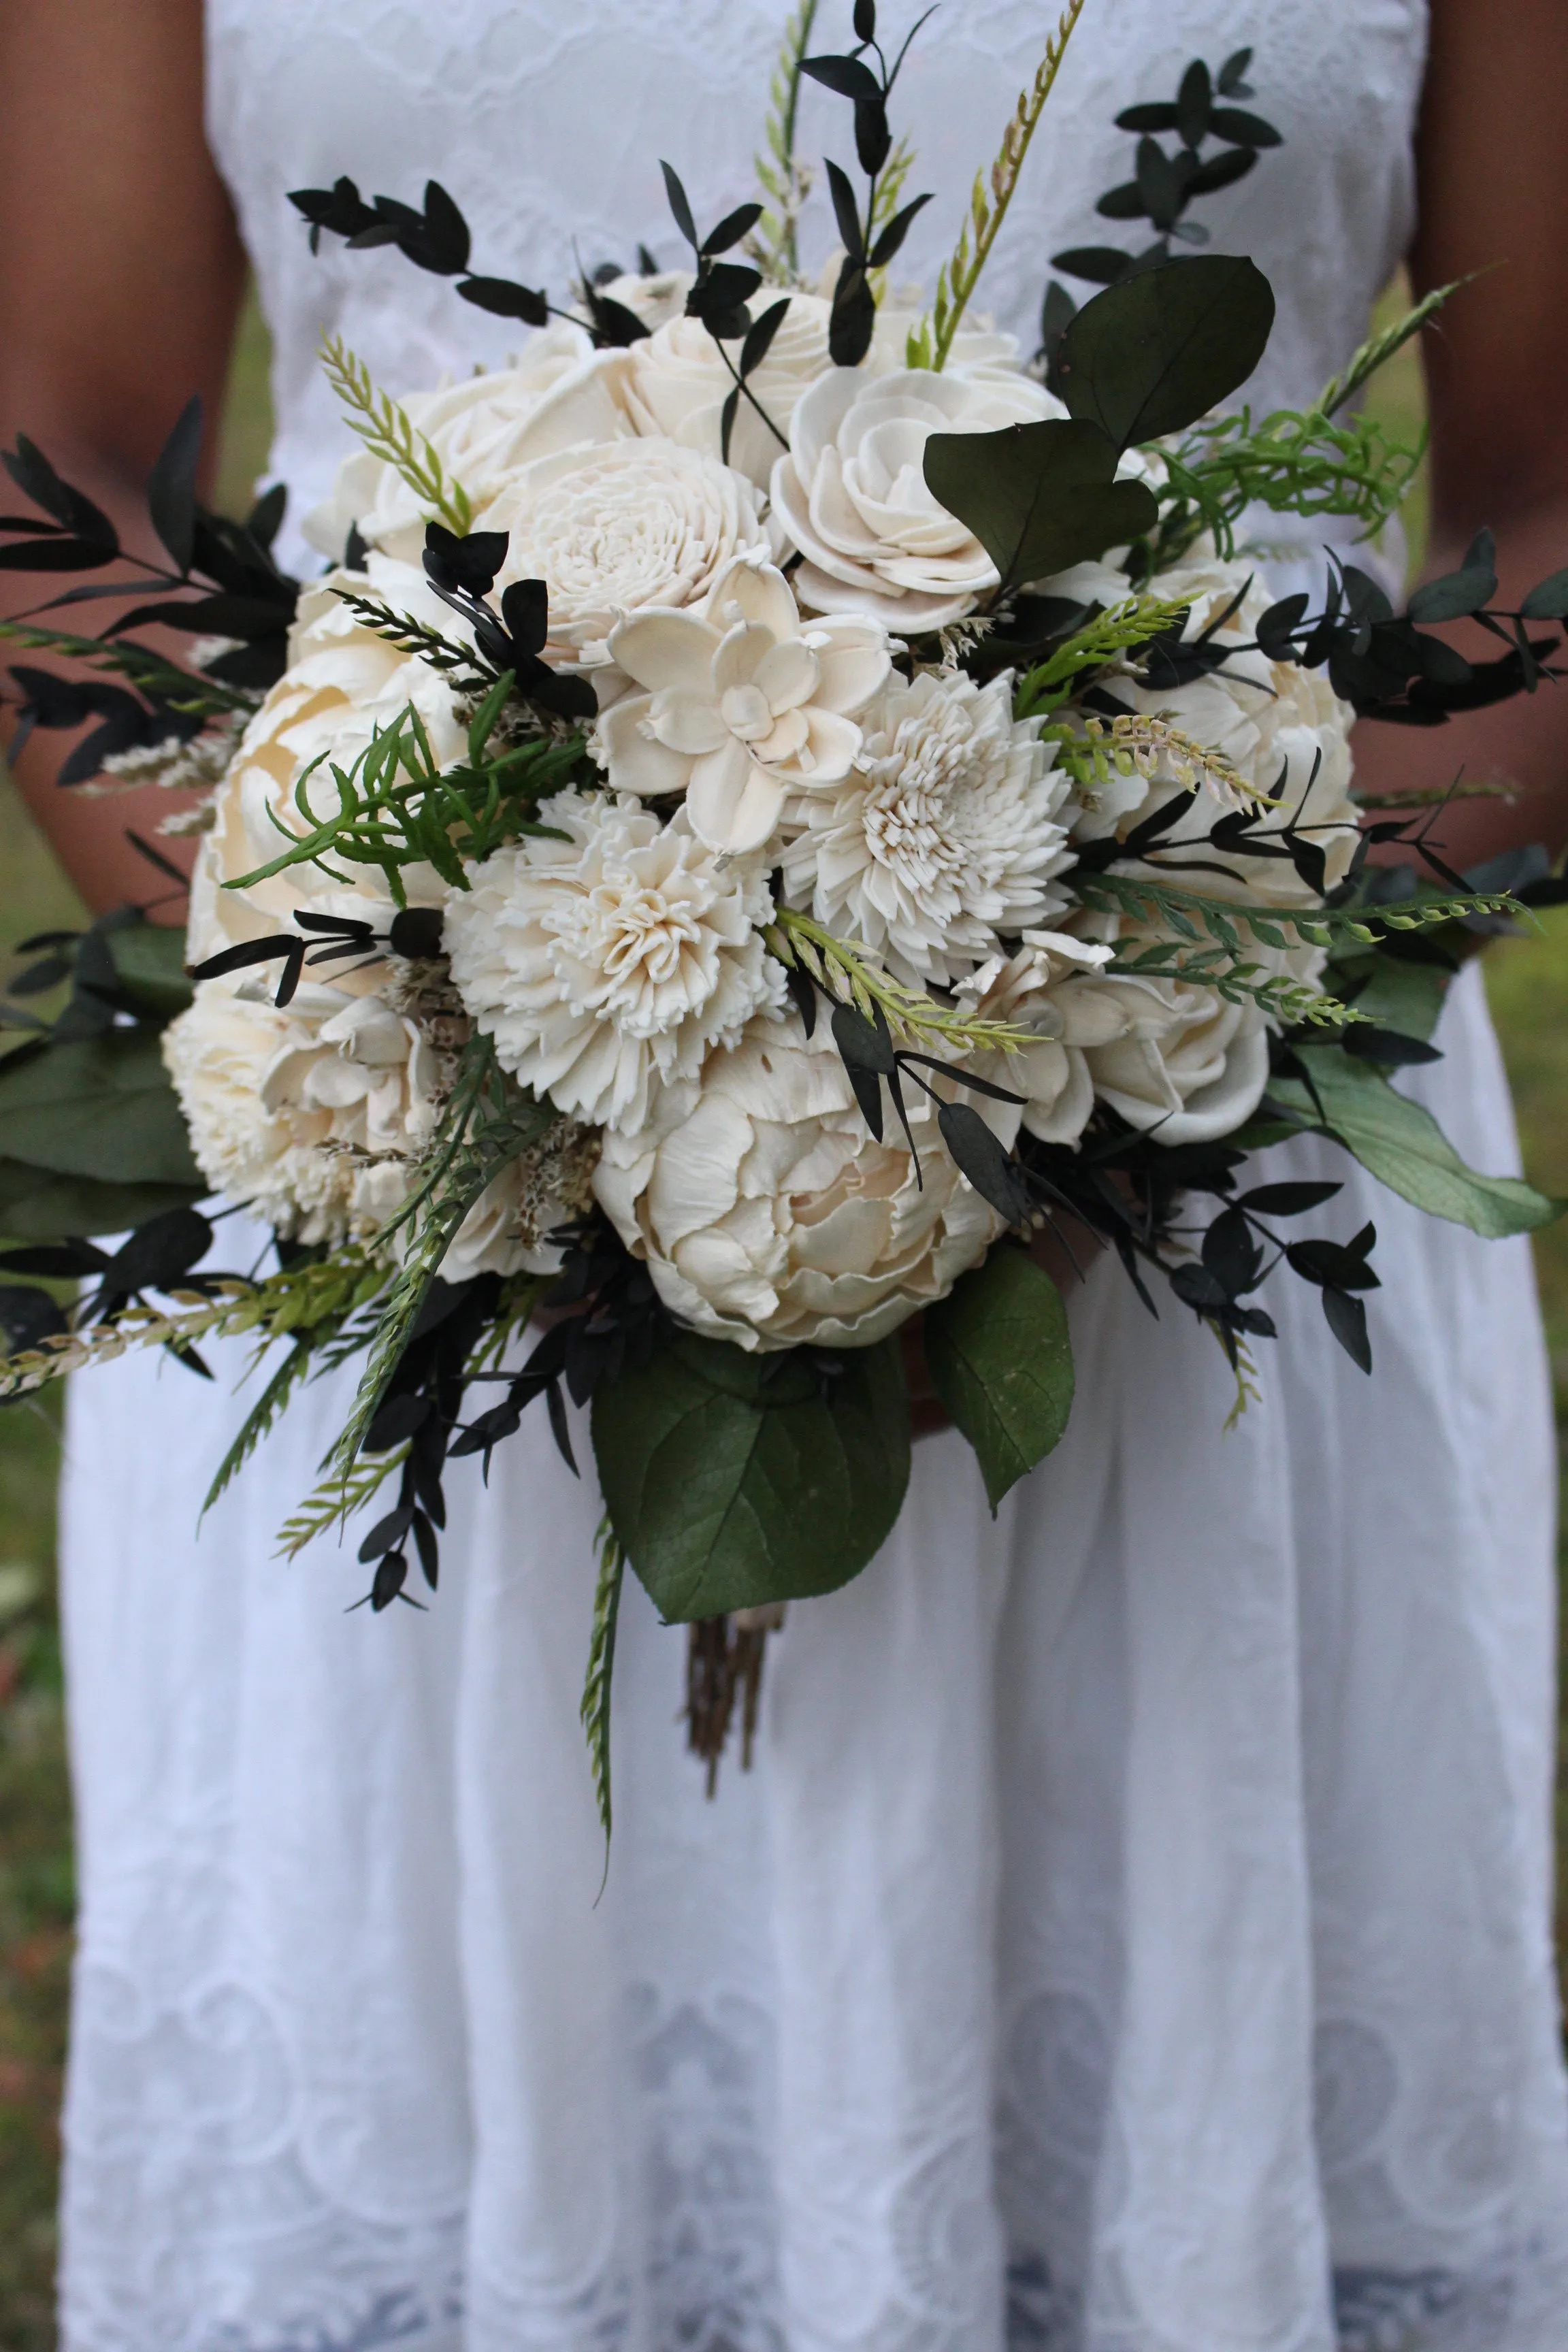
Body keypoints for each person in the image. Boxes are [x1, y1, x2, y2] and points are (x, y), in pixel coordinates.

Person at [2, 2, 1567, 2345]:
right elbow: (55, 442)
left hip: (1204, 1227)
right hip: (423, 1216)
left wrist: (1145, 984)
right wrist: (420, 1020)